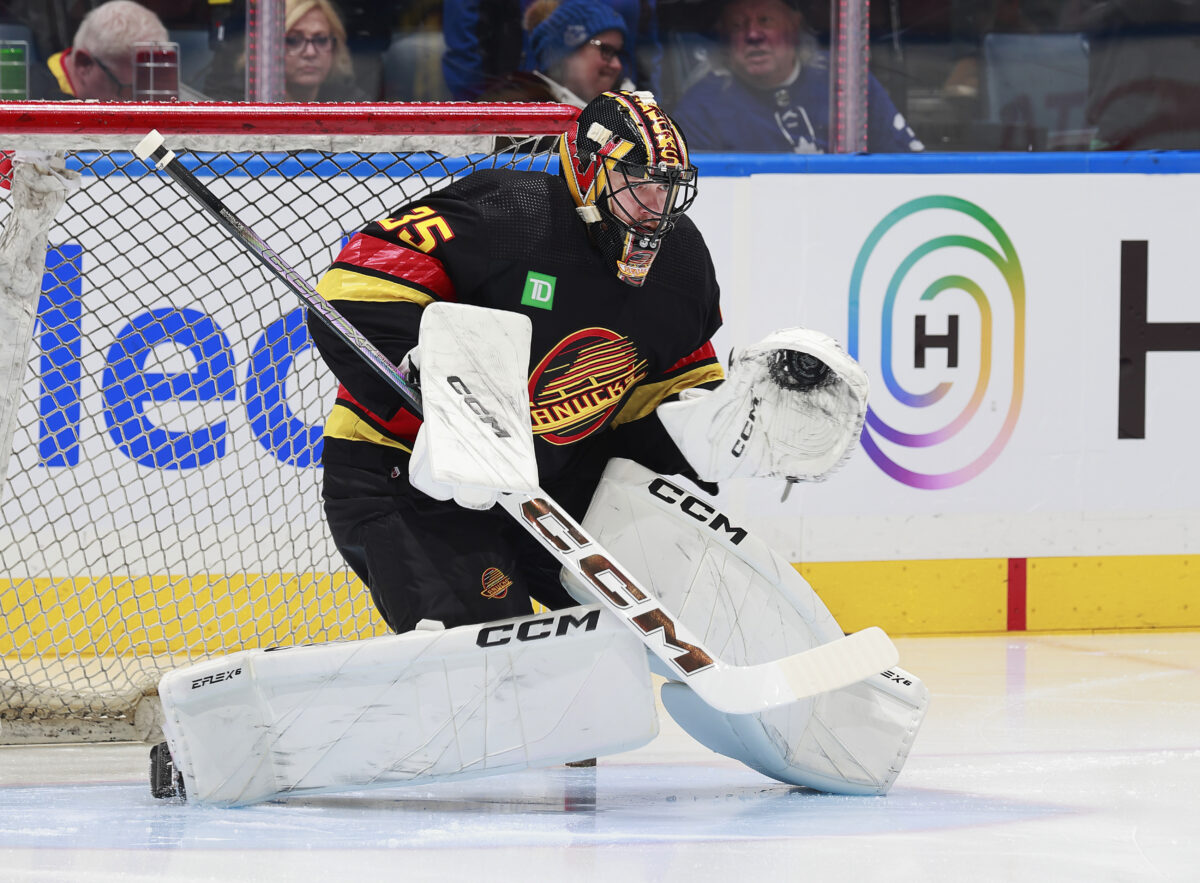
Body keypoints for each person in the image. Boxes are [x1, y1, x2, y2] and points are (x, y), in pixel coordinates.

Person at [307, 90, 721, 634]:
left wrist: (713, 439)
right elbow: (354, 283)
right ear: (591, 171)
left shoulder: (682, 265)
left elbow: (670, 387)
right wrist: (436, 384)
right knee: (484, 657)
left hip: (548, 493)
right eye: (636, 183)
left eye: (667, 188)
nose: (653, 205)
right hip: (408, 475)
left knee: (655, 621)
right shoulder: (508, 212)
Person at [671, 0, 923, 153]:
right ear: (724, 36)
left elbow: (908, 164)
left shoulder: (844, 80)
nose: (753, 35)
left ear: (795, 25)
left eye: (765, 20)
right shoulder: (700, 106)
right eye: (738, 25)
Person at [477, 0, 634, 106]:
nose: (617, 65)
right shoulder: (521, 118)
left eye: (619, 54)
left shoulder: (623, 109)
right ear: (563, 55)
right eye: (605, 50)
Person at [204, 0, 367, 101]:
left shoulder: (353, 107)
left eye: (321, 39)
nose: (310, 53)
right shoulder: (234, 105)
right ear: (265, 47)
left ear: (335, 47)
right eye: (293, 40)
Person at [35, 0, 182, 100]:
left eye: (153, 88)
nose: (146, 104)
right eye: (132, 91)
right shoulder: (26, 104)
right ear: (84, 65)